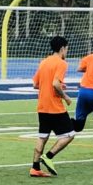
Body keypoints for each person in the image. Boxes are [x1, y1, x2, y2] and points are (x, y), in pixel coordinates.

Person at [30, 35, 74, 177]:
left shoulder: (44, 62)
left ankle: (35, 167)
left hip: (42, 105)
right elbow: (55, 83)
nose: (67, 51)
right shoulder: (61, 63)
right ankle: (48, 156)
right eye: (66, 49)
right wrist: (65, 96)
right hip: (55, 107)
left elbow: (36, 84)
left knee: (43, 136)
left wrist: (58, 85)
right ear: (62, 48)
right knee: (69, 135)